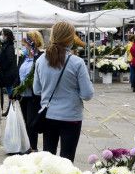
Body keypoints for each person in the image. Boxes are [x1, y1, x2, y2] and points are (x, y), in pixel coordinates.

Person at [31, 21, 94, 161]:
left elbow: (36, 90)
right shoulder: (77, 62)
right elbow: (87, 94)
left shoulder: (41, 60)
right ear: (70, 38)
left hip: (48, 115)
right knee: (67, 159)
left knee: (48, 159)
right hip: (71, 116)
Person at [16, 31, 44, 152]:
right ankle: (27, 146)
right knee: (25, 122)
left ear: (33, 43)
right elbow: (17, 74)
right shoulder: (24, 57)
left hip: (34, 95)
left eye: (26, 44)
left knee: (31, 123)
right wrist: (14, 90)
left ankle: (33, 148)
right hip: (23, 95)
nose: (24, 47)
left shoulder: (40, 57)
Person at [0, 28, 19, 101]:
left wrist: (2, 67)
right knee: (9, 89)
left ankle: (12, 106)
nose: (1, 36)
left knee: (10, 90)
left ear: (6, 36)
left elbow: (9, 59)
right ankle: (11, 106)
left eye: (2, 35)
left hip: (8, 72)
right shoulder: (7, 45)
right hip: (7, 72)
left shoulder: (9, 46)